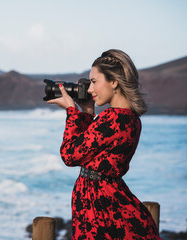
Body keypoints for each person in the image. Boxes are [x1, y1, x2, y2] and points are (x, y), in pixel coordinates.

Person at [47, 49, 161, 239]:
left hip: (98, 206)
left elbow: (70, 155)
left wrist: (71, 111)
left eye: (94, 82)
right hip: (107, 199)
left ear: (114, 82)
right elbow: (92, 149)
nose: (90, 89)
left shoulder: (112, 117)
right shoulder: (130, 118)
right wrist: (88, 112)